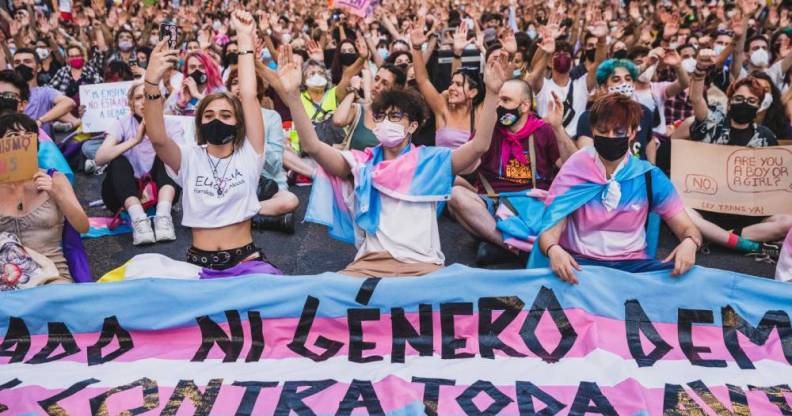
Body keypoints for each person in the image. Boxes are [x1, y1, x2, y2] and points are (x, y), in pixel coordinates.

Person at [281, 44, 507, 277]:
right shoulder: (361, 164)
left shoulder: (431, 162)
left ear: (413, 126)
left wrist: (491, 93)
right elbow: (313, 146)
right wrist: (292, 95)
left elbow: (480, 145)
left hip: (422, 269)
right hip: (368, 267)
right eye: (381, 116)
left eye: (396, 116)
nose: (386, 121)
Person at [143, 10, 279, 274]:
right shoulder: (189, 158)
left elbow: (249, 96)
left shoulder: (250, 153)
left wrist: (243, 37)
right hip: (199, 266)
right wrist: (151, 81)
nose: (217, 119)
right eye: (209, 115)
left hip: (247, 263)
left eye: (226, 115)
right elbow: (158, 138)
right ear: (200, 123)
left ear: (239, 122)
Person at [533, 93, 702, 282]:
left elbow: (688, 228)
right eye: (603, 131)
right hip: (580, 267)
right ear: (593, 131)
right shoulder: (574, 170)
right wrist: (554, 250)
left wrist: (690, 243)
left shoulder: (649, 176)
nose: (610, 137)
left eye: (618, 132)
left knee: (693, 281)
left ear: (632, 133)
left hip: (632, 269)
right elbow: (549, 233)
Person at [449, 80, 576, 262]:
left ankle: (497, 246)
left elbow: (572, 167)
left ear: (524, 106)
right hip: (492, 206)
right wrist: (479, 145)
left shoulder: (543, 131)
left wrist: (558, 128)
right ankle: (518, 249)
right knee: (455, 195)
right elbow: (467, 168)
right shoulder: (487, 131)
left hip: (533, 209)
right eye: (498, 100)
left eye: (506, 100)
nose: (499, 105)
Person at [684, 49, 790, 262]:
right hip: (705, 208)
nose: (744, 104)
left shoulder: (766, 137)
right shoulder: (712, 124)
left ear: (759, 107)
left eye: (751, 101)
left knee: (787, 221)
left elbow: (773, 182)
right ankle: (734, 240)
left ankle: (720, 237)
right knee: (678, 207)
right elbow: (696, 99)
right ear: (730, 101)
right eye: (739, 98)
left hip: (747, 215)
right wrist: (700, 71)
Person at [0, 113, 88, 285]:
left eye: (28, 136)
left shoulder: (55, 178)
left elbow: (83, 226)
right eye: (13, 137)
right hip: (6, 281)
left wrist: (57, 193)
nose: (22, 141)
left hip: (52, 276)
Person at [95, 82, 182, 245]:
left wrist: (158, 135)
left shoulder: (172, 124)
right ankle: (139, 221)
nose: (144, 102)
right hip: (122, 195)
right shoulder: (122, 123)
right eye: (138, 98)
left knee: (168, 154)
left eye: (149, 97)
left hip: (161, 193)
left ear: (160, 101)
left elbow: (181, 163)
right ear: (131, 104)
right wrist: (135, 140)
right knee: (116, 159)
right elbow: (99, 158)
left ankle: (163, 217)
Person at [226, 65, 299, 233]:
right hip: (234, 185)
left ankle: (233, 216)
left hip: (268, 185)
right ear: (230, 89)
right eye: (236, 82)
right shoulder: (223, 117)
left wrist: (252, 132)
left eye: (246, 82)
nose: (240, 87)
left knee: (290, 201)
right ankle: (259, 219)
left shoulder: (271, 117)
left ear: (256, 88)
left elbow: (275, 165)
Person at [575, 59, 657, 163]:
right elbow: (586, 158)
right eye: (616, 80)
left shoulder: (644, 112)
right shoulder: (589, 117)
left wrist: (651, 170)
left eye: (628, 79)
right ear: (604, 88)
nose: (624, 83)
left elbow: (649, 142)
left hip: (639, 176)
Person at [332, 64, 406, 150]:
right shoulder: (359, 110)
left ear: (396, 90)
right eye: (376, 79)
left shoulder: (400, 119)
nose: (377, 85)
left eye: (384, 83)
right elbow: (338, 120)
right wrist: (353, 90)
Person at [13, 48, 76, 136]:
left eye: (27, 61)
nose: (21, 65)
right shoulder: (8, 92)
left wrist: (40, 121)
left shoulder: (46, 92)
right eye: (17, 62)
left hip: (41, 145)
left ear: (38, 67)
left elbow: (69, 103)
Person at [164, 49, 225, 116]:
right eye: (192, 67)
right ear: (187, 71)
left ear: (208, 69)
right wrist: (180, 105)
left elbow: (222, 110)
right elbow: (166, 118)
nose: (197, 70)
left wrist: (197, 94)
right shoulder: (180, 92)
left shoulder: (219, 90)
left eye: (201, 67)